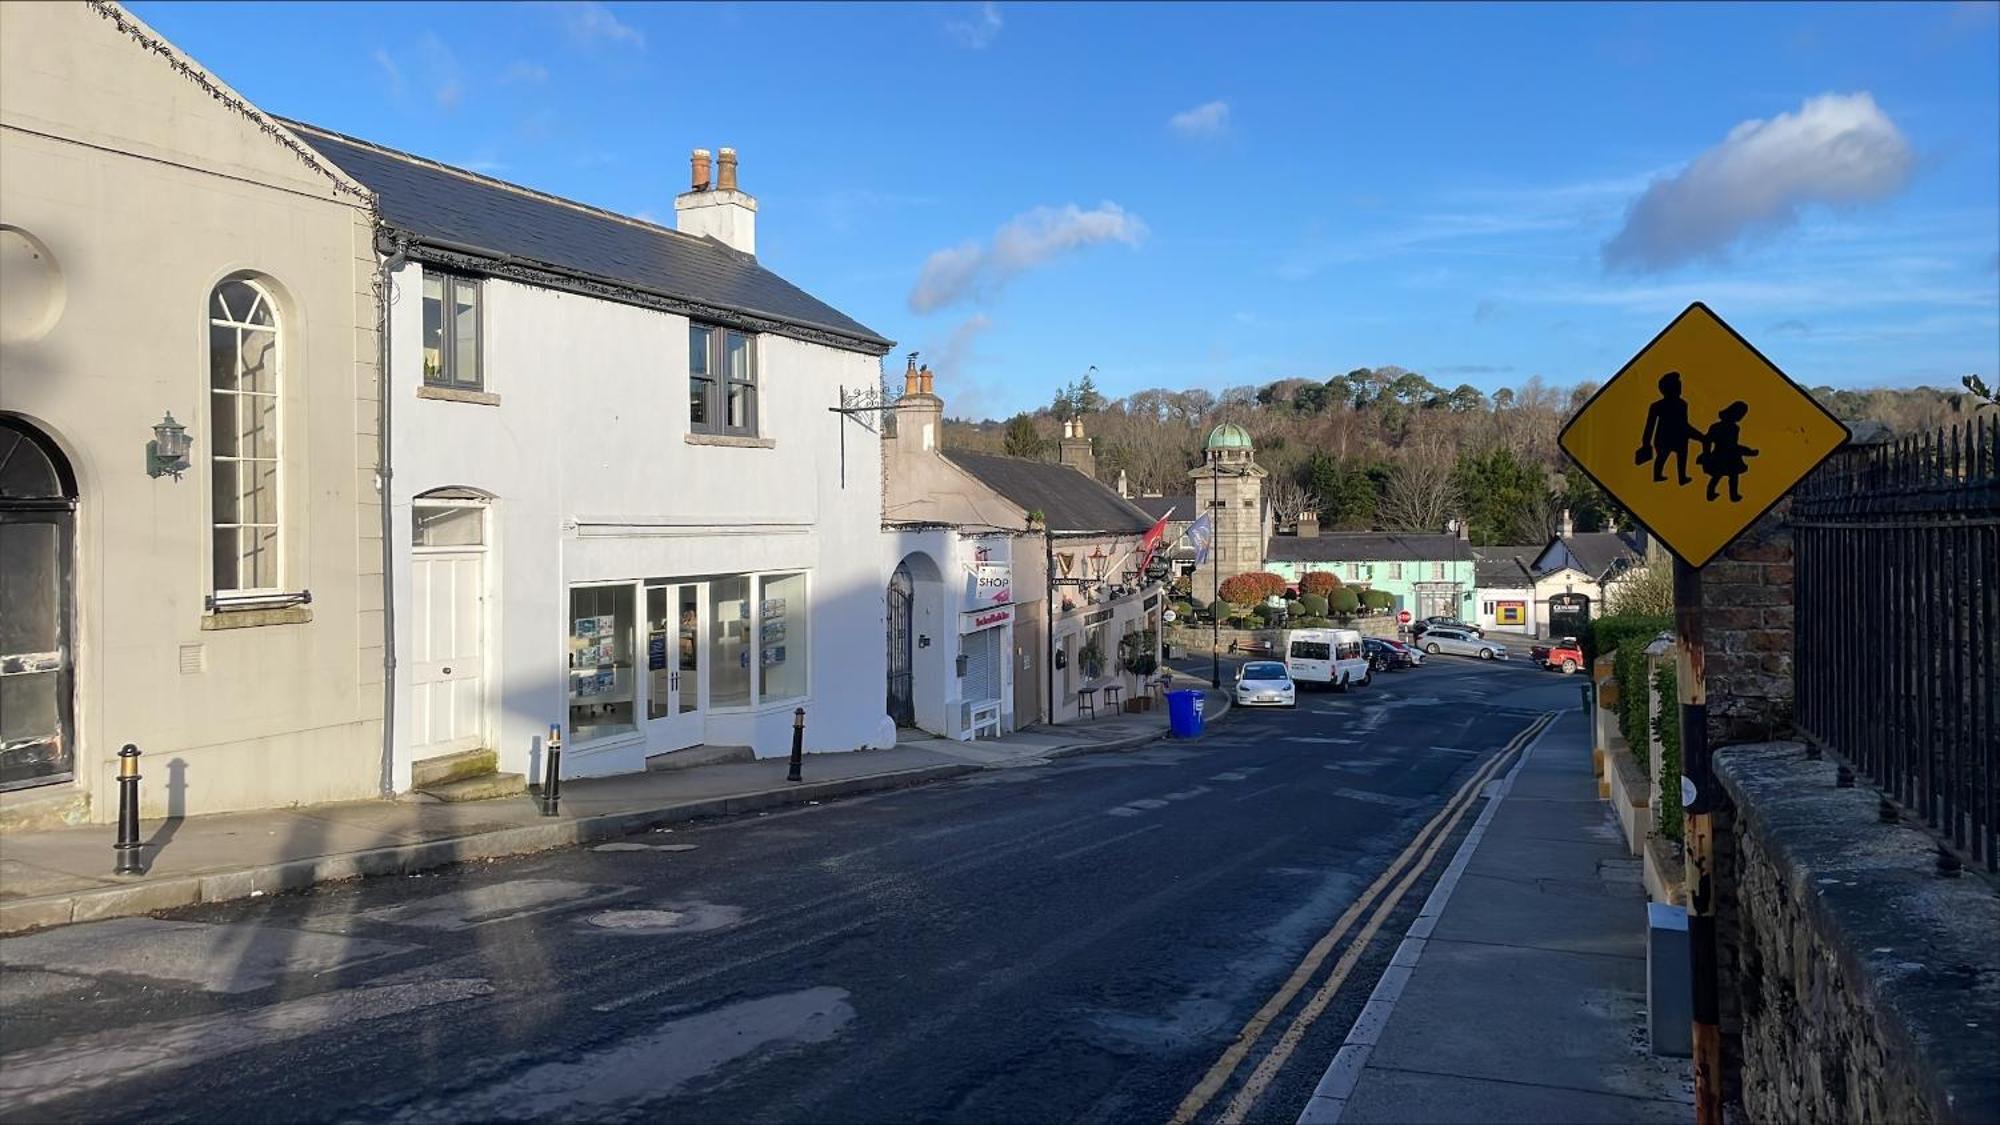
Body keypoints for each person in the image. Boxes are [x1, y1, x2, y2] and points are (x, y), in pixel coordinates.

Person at [1635, 370, 1696, 484]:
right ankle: (1657, 476)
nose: (1679, 388)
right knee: (1662, 457)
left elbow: (1684, 424)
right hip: (1664, 438)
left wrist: (1698, 436)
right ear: (1665, 389)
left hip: (1680, 437)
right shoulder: (1657, 406)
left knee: (1682, 457)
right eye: (1676, 386)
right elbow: (1650, 425)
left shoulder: (1683, 404)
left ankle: (1682, 477)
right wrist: (1645, 443)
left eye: (1679, 385)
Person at [1697, 401, 1759, 503]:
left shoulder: (1735, 428)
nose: (1741, 417)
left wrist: (1749, 451)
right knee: (1718, 475)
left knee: (1733, 475)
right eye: (1740, 414)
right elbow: (1707, 440)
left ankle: (1733, 495)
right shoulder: (1716, 427)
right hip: (1720, 455)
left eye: (1742, 415)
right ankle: (1710, 493)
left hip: (1732, 456)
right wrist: (1706, 454)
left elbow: (1733, 444)